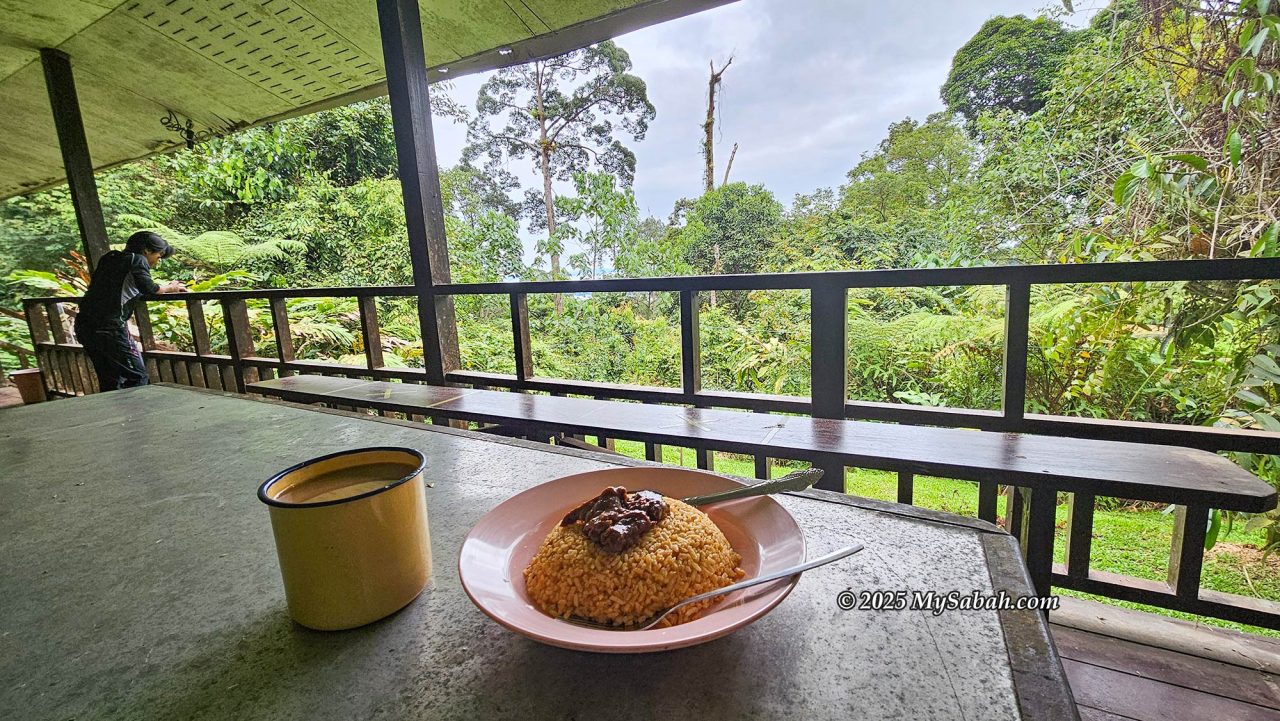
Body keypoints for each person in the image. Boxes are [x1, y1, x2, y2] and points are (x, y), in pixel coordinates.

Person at [74, 231, 187, 392]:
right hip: (109, 328)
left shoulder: (110, 258)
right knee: (137, 376)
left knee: (110, 379)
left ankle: (118, 415)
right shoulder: (137, 259)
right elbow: (149, 288)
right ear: (147, 250)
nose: (158, 261)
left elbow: (122, 287)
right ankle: (138, 415)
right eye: (159, 255)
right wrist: (171, 288)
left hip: (85, 325)